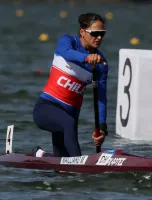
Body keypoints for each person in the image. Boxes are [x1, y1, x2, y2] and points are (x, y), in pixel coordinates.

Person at [32, 12, 108, 158]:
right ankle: (80, 169)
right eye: (95, 33)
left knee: (62, 165)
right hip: (46, 107)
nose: (99, 37)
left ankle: (41, 155)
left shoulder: (101, 63)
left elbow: (101, 98)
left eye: (102, 34)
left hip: (70, 114)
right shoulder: (68, 41)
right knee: (68, 125)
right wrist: (87, 58)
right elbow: (66, 53)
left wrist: (102, 128)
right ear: (82, 31)